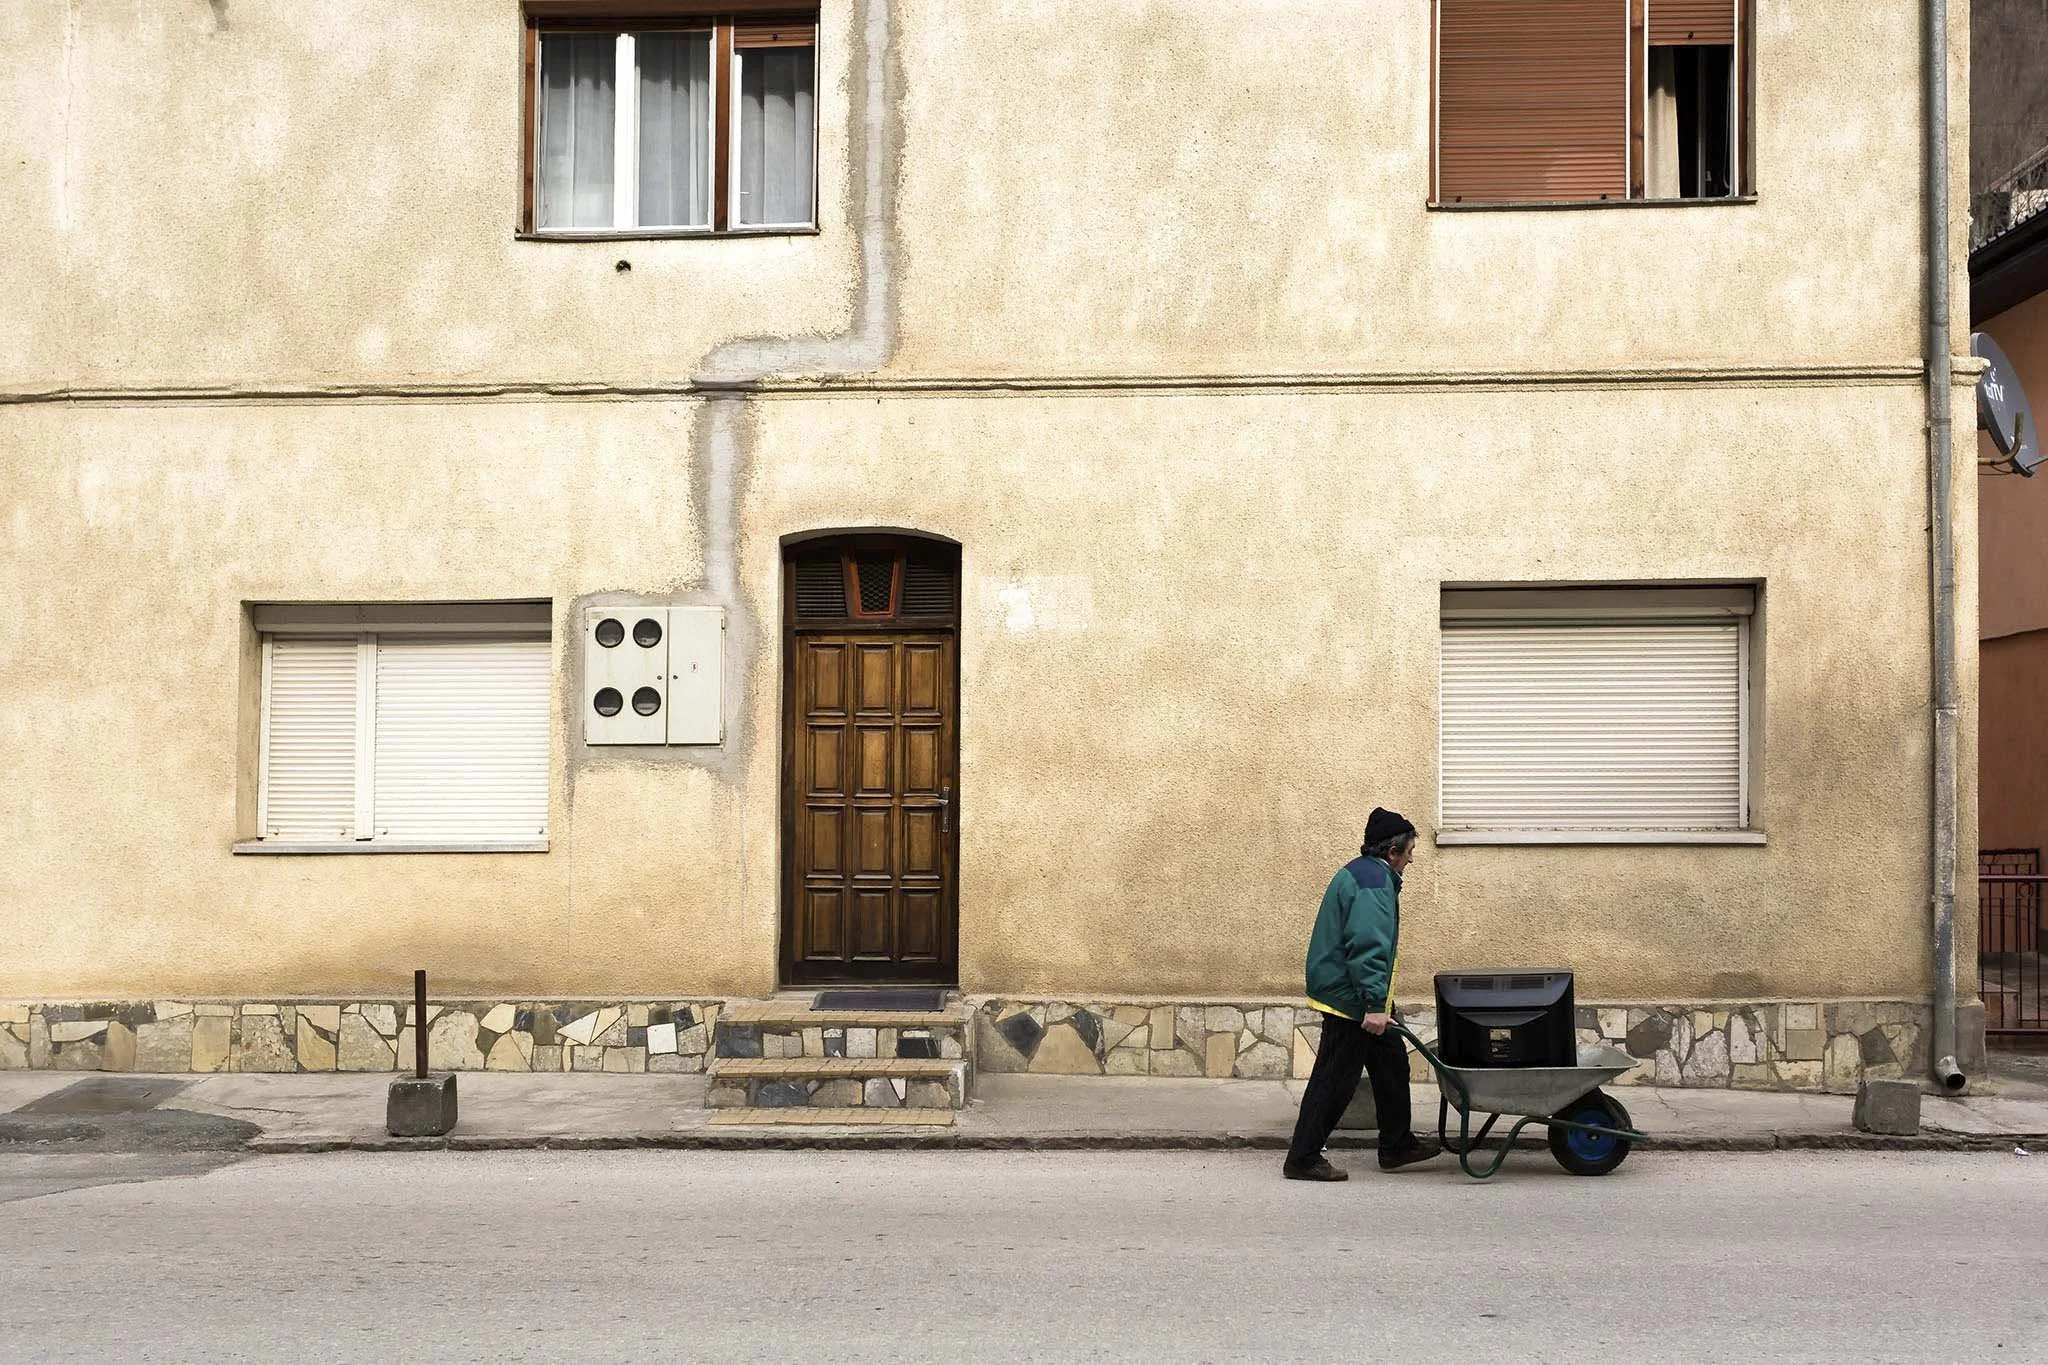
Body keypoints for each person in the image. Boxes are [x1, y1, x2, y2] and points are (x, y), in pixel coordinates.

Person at [1283, 807, 1442, 1180]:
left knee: (1390, 1063)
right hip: (1350, 999)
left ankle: (1396, 1144)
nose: (1412, 859)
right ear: (1392, 851)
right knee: (1335, 1078)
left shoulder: (1366, 873)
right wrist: (1372, 1004)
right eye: (1410, 851)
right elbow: (1368, 945)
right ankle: (1302, 1158)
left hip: (1359, 994)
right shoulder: (1373, 881)